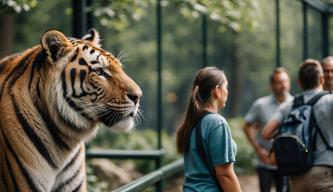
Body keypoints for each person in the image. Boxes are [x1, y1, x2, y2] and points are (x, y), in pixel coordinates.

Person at [263, 59, 333, 192]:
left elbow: (266, 133)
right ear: (322, 80)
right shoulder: (329, 100)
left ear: (300, 83)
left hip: (297, 178)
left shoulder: (291, 104)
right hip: (325, 174)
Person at [176, 66, 241, 192]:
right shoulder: (217, 123)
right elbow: (225, 175)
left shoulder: (192, 121)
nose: (227, 91)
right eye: (226, 87)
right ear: (217, 90)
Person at [243, 68, 292, 192]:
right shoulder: (260, 104)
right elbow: (247, 126)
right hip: (265, 161)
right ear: (271, 85)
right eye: (279, 82)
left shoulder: (295, 104)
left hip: (286, 161)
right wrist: (258, 149)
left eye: (285, 81)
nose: (283, 85)